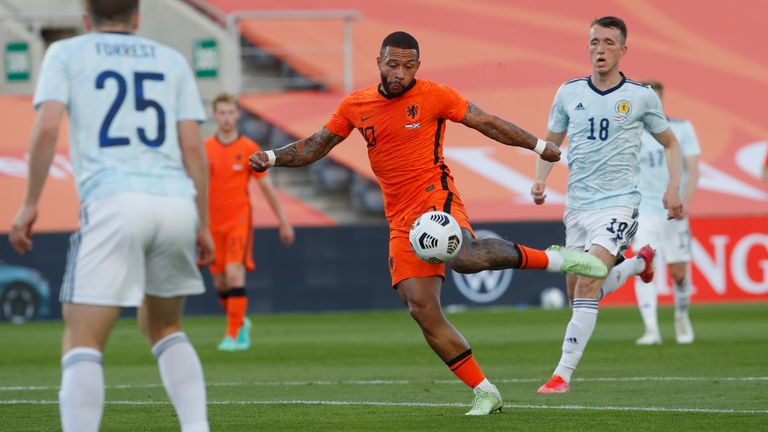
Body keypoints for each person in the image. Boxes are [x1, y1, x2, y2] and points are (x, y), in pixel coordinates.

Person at [249, 31, 607, 416]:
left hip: (435, 196)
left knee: (466, 258)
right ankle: (486, 391)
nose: (400, 73)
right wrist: (271, 156)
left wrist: (538, 146)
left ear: (417, 66)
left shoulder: (435, 95)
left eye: (408, 66)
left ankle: (557, 260)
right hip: (400, 218)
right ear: (379, 62)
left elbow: (485, 121)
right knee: (422, 309)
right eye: (392, 64)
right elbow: (317, 144)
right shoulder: (356, 105)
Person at [8, 1, 212, 431]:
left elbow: (46, 128)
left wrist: (29, 204)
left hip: (114, 199)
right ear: (136, 18)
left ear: (86, 18)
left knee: (81, 341)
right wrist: (203, 221)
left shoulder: (66, 53)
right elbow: (193, 146)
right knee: (165, 326)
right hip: (175, 201)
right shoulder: (171, 59)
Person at [531, 16, 685, 394]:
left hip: (619, 205)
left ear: (623, 50)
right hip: (577, 208)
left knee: (587, 282)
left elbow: (671, 144)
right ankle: (637, 264)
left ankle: (561, 375)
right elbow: (550, 143)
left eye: (608, 43)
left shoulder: (640, 96)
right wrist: (540, 178)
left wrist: (674, 189)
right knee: (578, 290)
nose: (599, 49)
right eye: (594, 42)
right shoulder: (568, 92)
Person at [206, 93, 295, 351]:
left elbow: (266, 187)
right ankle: (239, 321)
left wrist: (283, 222)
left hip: (238, 221)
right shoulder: (205, 148)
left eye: (230, 112)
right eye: (221, 112)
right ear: (215, 115)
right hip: (213, 224)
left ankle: (234, 335)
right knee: (220, 282)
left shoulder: (247, 148)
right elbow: (198, 188)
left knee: (235, 275)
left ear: (237, 115)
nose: (226, 117)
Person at [633, 81, 701, 345]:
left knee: (679, 272)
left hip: (674, 209)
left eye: (656, 99)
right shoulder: (633, 132)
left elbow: (693, 169)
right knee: (643, 265)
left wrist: (686, 201)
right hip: (645, 211)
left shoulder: (682, 129)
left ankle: (682, 315)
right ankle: (651, 329)